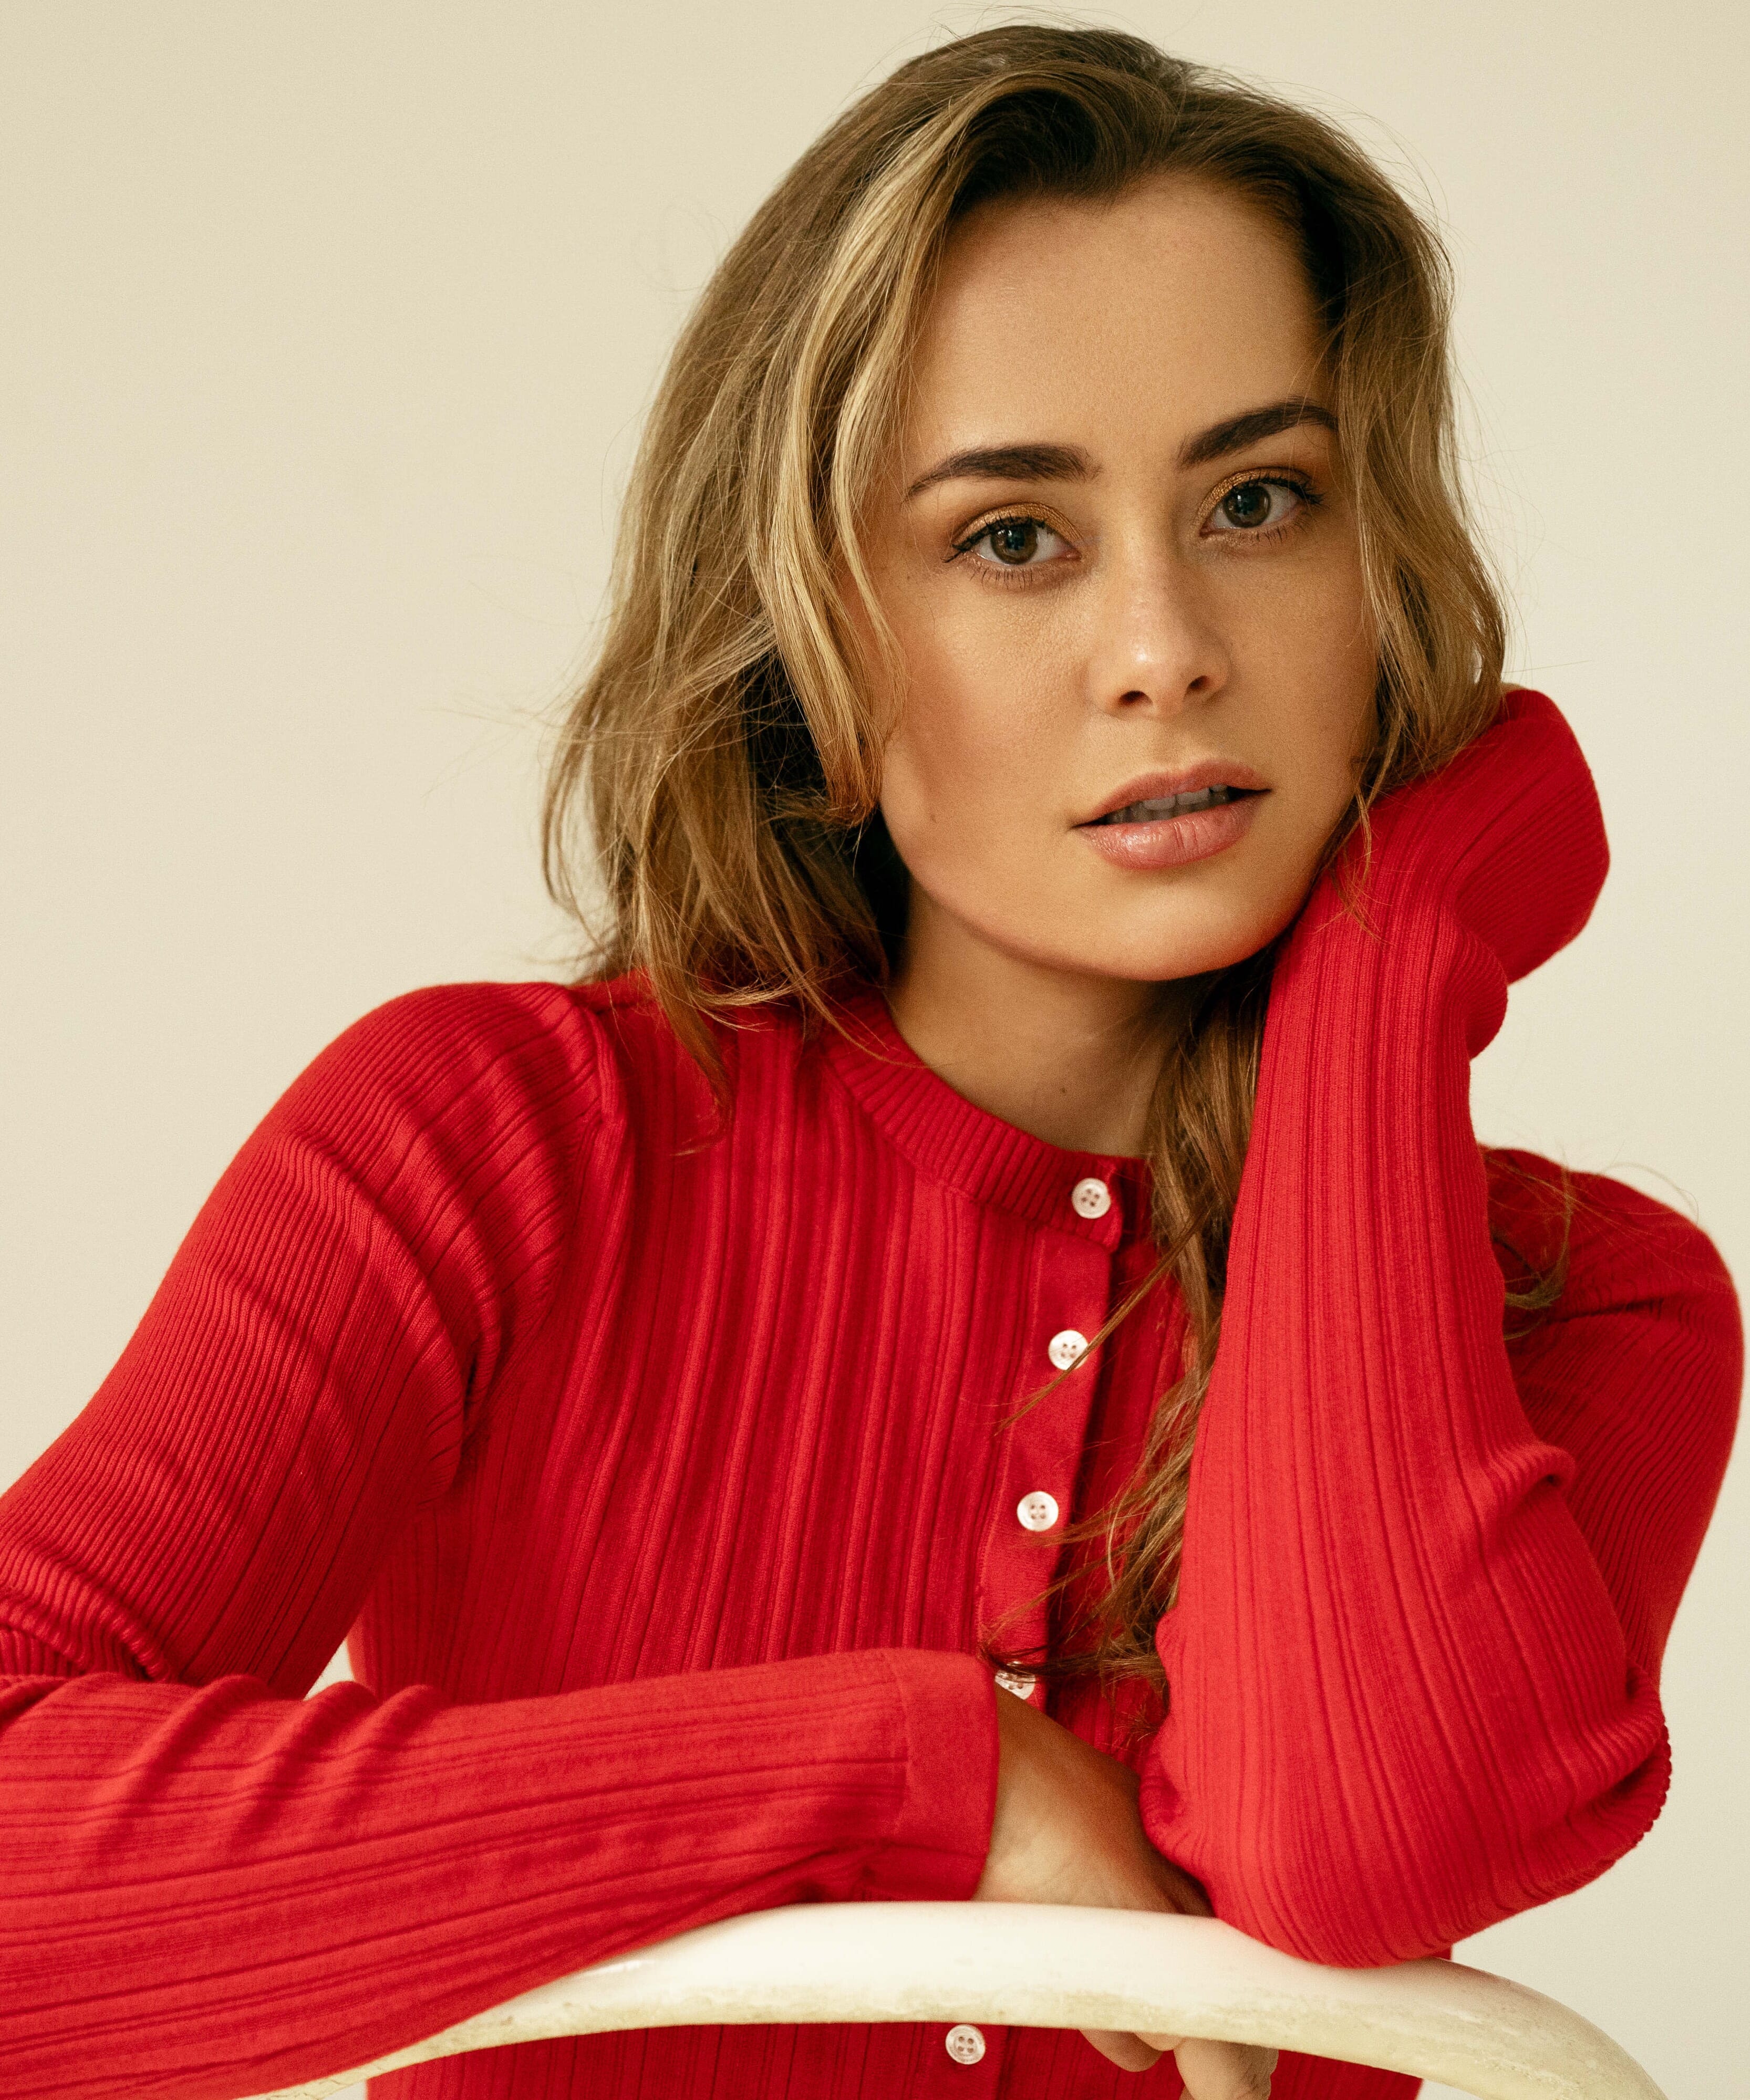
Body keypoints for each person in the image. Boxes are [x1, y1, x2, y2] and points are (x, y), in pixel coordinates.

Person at [0, 24, 1738, 2100]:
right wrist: (911, 1777)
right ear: (813, 635)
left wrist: (1392, 953)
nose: (1166, 648)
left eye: (1257, 501)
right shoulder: (496, 1148)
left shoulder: (1583, 1305)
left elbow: (1349, 1843)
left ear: (1381, 573)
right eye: (1011, 537)